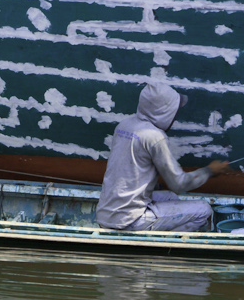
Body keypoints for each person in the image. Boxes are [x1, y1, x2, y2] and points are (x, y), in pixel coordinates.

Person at [96, 83, 230, 232]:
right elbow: (179, 184)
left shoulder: (124, 125)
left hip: (106, 214)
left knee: (170, 197)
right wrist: (209, 171)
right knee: (203, 211)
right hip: (129, 220)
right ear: (163, 111)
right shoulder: (154, 137)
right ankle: (162, 249)